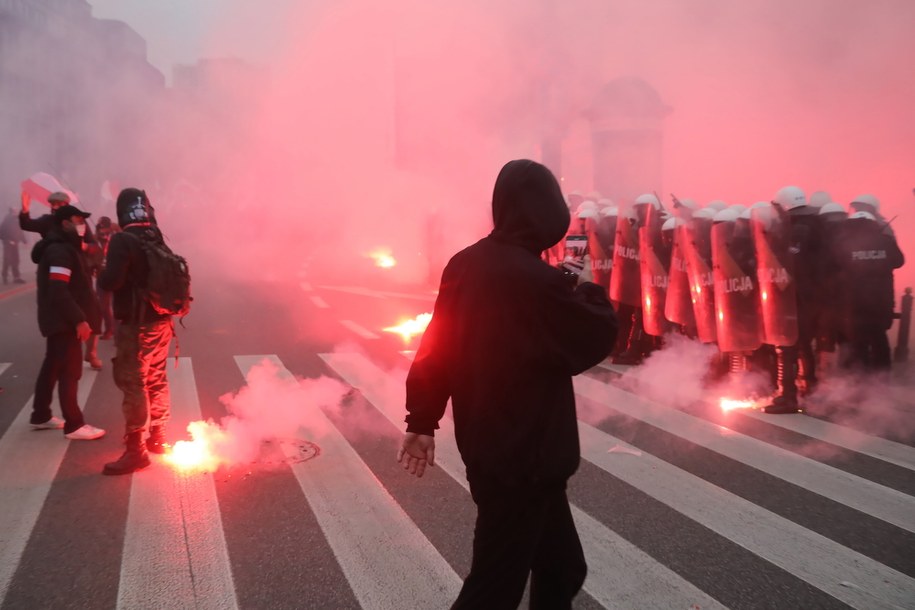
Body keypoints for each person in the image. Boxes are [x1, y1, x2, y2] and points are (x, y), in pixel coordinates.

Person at [398, 160, 618, 609]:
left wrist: (422, 418)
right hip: (528, 457)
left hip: (492, 449)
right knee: (494, 587)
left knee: (561, 568)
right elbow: (590, 336)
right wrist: (591, 290)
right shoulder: (537, 281)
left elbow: (437, 345)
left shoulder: (465, 264)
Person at [99, 188, 174, 475]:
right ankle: (159, 437)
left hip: (136, 325)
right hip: (162, 323)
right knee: (157, 377)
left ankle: (135, 450)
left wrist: (105, 269)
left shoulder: (122, 240)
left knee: (134, 383)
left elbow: (111, 281)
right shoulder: (155, 234)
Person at [29, 203, 106, 440]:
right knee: (70, 371)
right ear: (64, 223)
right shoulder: (60, 251)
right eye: (77, 220)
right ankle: (74, 424)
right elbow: (58, 290)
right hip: (63, 322)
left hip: (59, 320)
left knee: (52, 366)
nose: (82, 225)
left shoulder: (66, 248)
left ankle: (40, 415)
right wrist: (79, 320)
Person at [20, 190, 103, 369]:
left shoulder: (79, 222)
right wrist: (25, 209)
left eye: (59, 204)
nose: (55, 207)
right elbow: (26, 224)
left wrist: (83, 246)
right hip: (58, 270)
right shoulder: (48, 222)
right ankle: (60, 354)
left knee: (94, 314)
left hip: (81, 274)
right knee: (62, 314)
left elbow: (95, 246)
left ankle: (91, 352)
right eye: (53, 204)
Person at [836, 211, 905, 371]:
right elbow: (899, 261)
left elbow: (834, 266)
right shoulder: (885, 241)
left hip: (854, 301)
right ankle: (881, 380)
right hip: (881, 300)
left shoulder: (843, 243)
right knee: (879, 338)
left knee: (857, 341)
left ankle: (860, 378)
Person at [1, 207, 27, 284]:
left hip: (15, 243)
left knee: (15, 260)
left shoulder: (16, 220)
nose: (16, 212)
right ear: (11, 212)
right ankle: (5, 276)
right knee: (7, 260)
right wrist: (8, 240)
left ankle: (16, 277)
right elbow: (1, 233)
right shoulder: (6, 220)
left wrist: (24, 241)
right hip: (8, 244)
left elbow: (20, 231)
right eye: (15, 211)